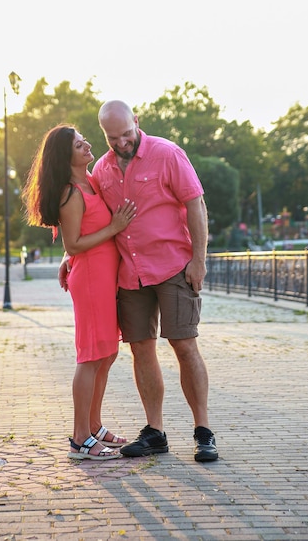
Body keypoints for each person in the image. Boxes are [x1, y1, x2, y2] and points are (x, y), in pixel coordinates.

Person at [60, 101, 218, 462]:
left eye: (126, 135)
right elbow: (87, 217)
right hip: (130, 273)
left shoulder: (168, 153)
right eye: (113, 137)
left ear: (137, 122)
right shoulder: (101, 169)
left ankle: (203, 431)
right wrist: (69, 255)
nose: (121, 143)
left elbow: (196, 205)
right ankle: (155, 432)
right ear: (104, 133)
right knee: (141, 349)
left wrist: (199, 261)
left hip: (174, 266)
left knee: (184, 345)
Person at [23, 124, 136, 461]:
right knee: (90, 356)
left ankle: (95, 425)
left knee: (108, 353)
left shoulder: (91, 181)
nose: (87, 144)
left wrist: (66, 257)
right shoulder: (71, 192)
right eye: (78, 144)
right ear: (65, 155)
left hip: (103, 277)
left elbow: (74, 241)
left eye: (83, 140)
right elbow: (74, 242)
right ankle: (79, 439)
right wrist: (114, 228)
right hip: (90, 280)